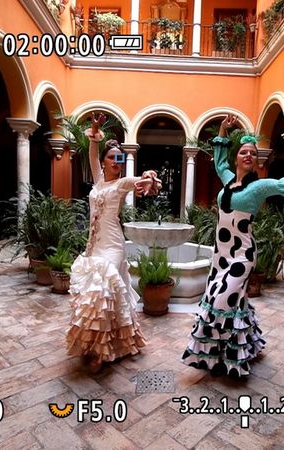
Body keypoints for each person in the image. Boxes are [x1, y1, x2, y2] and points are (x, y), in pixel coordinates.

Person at [181, 114, 284, 378]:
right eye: (243, 152)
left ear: (256, 162)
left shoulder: (260, 187)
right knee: (229, 301)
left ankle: (231, 359)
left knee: (223, 300)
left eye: (252, 154)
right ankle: (244, 347)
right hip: (221, 256)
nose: (247, 155)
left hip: (242, 255)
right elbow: (219, 160)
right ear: (237, 158)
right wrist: (223, 129)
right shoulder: (227, 179)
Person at [66, 113, 162, 373]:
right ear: (105, 161)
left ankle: (100, 352)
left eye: (120, 158)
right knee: (95, 295)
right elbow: (93, 149)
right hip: (94, 245)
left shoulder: (122, 183)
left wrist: (149, 177)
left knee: (102, 290)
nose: (117, 161)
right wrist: (95, 130)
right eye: (112, 157)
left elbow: (140, 182)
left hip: (113, 244)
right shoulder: (98, 178)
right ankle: (97, 342)